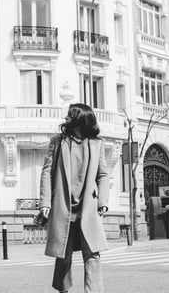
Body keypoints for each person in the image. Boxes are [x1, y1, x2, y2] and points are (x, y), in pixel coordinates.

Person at [39, 103, 110, 293]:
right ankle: (63, 289)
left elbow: (103, 174)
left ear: (82, 118)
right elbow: (47, 172)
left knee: (93, 254)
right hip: (64, 205)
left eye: (72, 114)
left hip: (89, 207)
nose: (67, 117)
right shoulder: (58, 142)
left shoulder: (97, 144)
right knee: (64, 255)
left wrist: (103, 201)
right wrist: (45, 202)